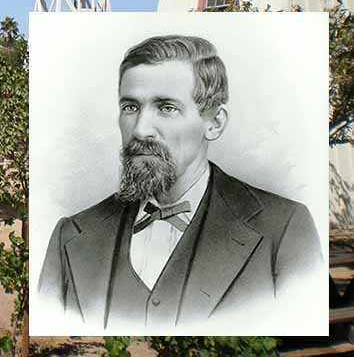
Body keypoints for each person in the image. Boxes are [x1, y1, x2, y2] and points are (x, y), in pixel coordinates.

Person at [37, 35, 323, 329]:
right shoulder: (71, 236)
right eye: (130, 107)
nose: (141, 130)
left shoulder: (284, 230)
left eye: (166, 108)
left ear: (214, 123)